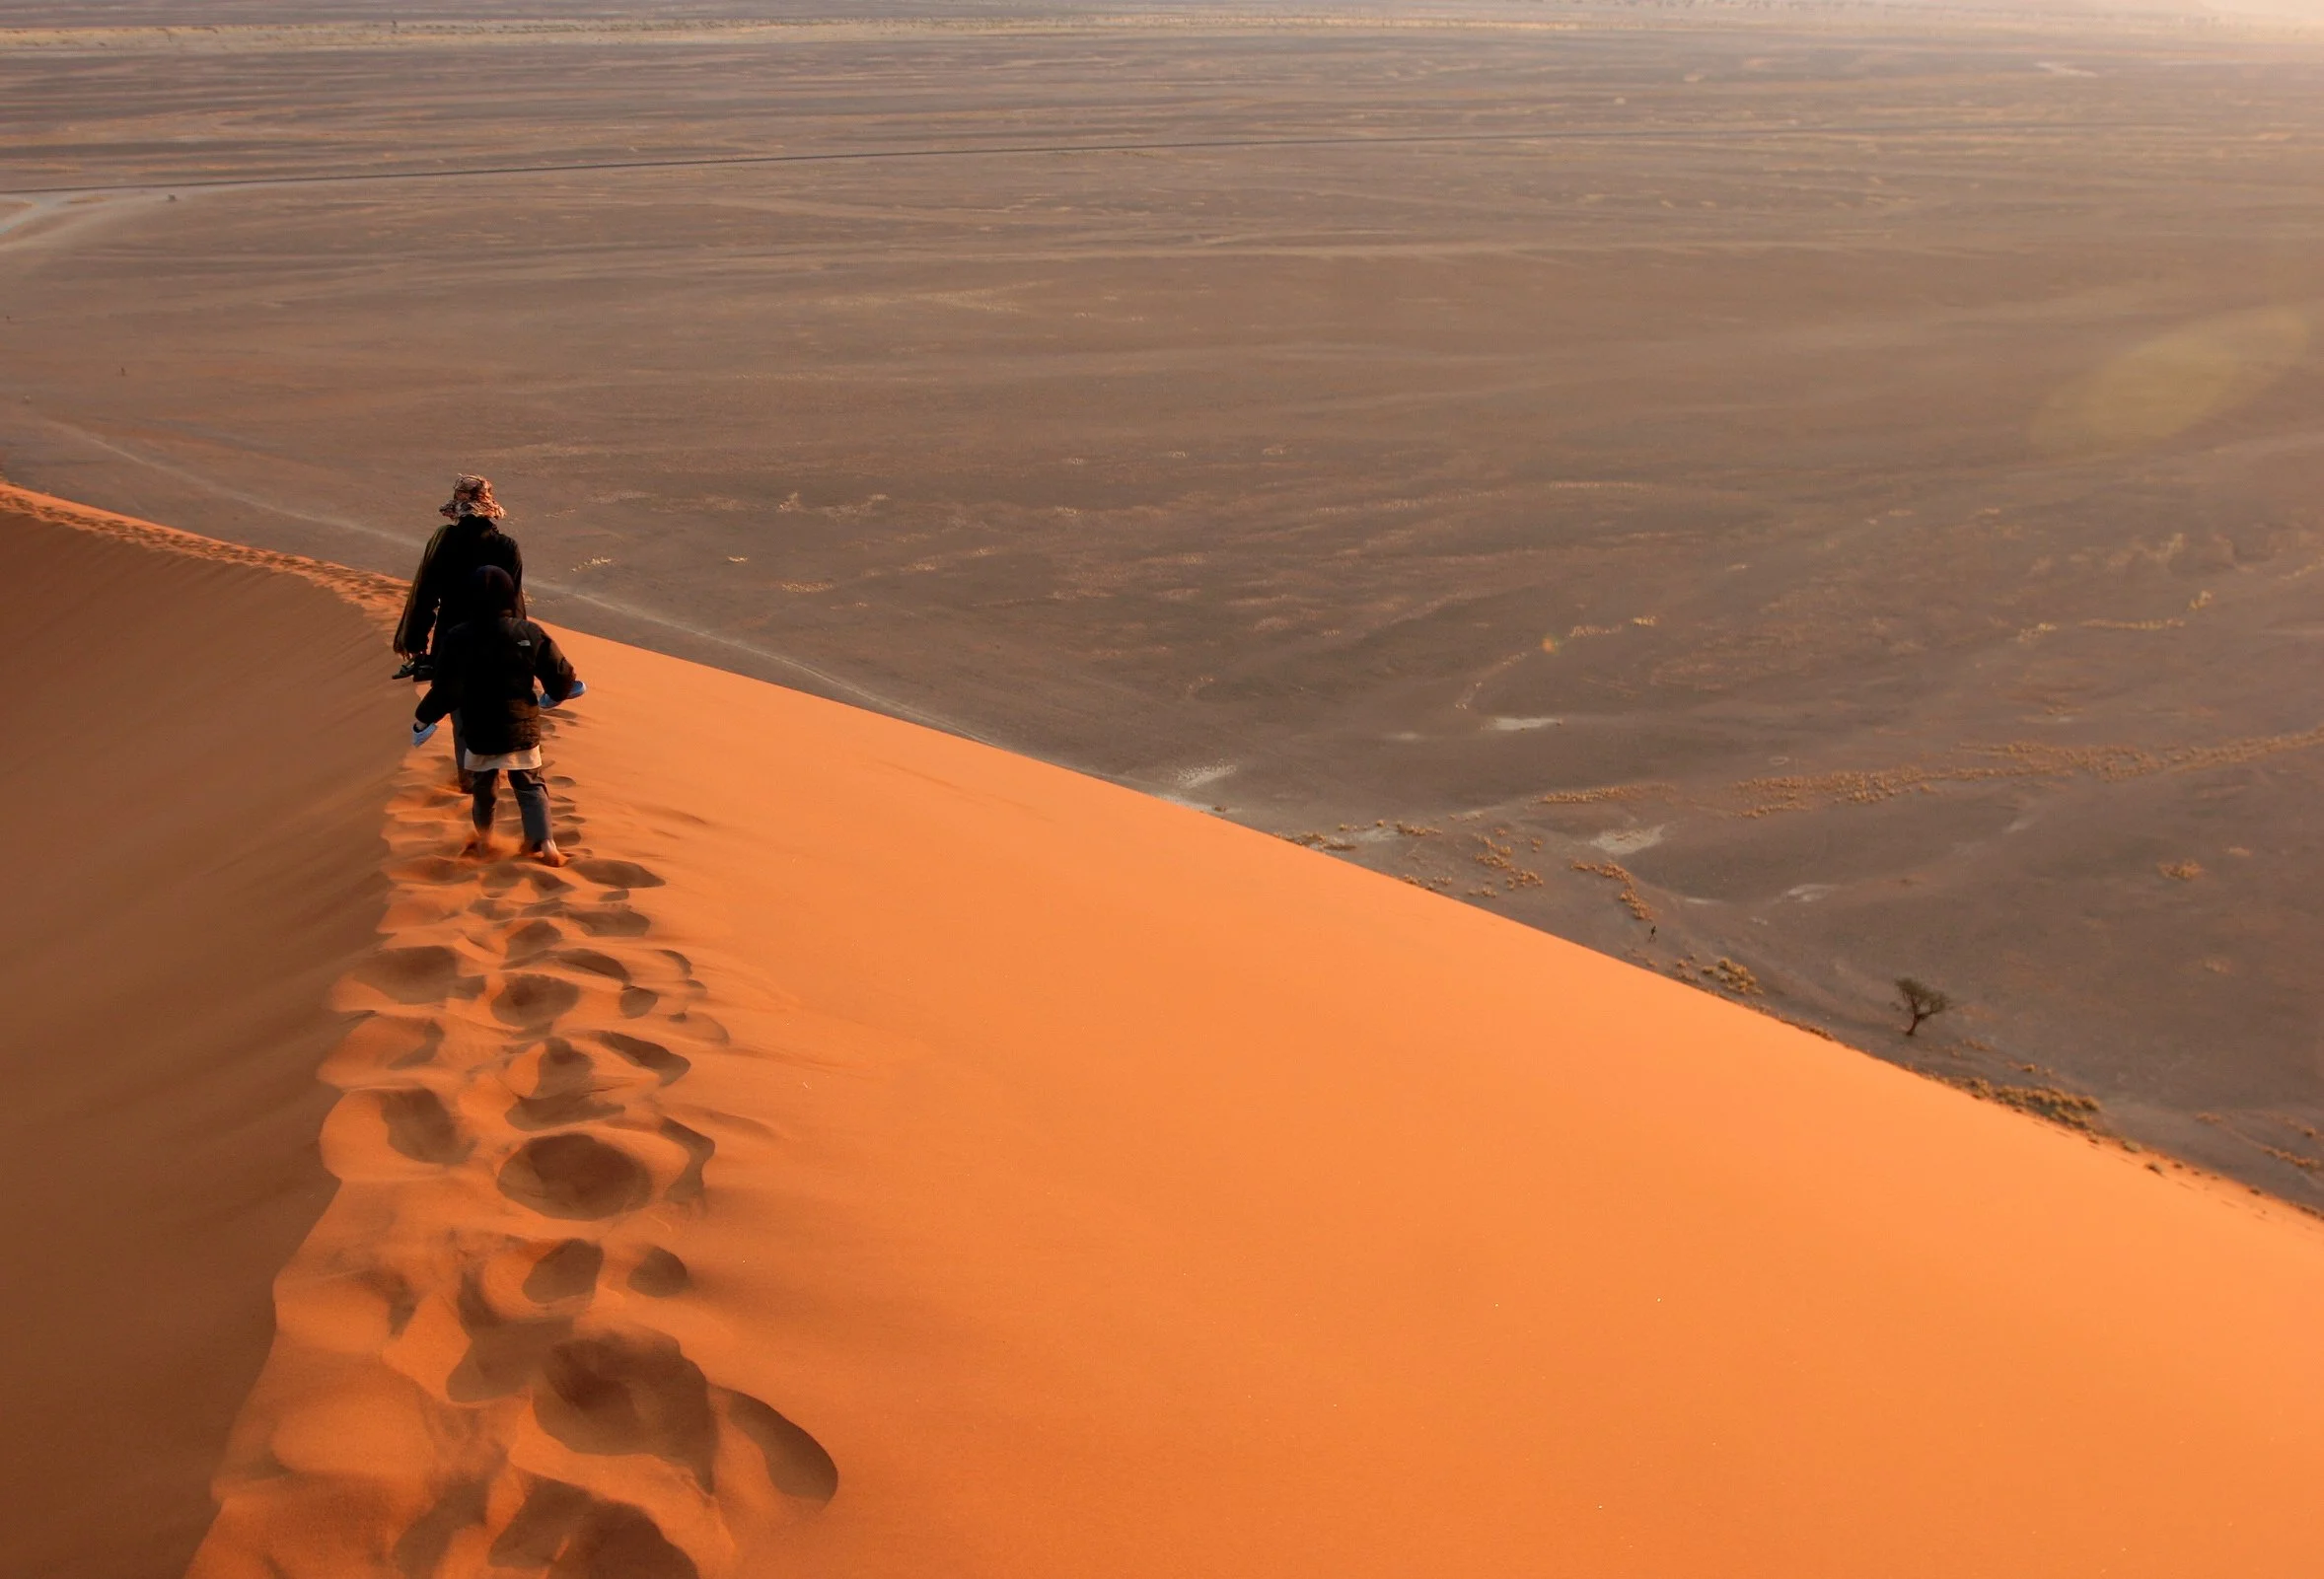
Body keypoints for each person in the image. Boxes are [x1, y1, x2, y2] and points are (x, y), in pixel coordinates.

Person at [412, 566, 585, 866]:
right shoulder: (529, 632)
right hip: (522, 726)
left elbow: (446, 690)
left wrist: (422, 718)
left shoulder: (458, 637)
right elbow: (561, 674)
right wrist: (557, 694)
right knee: (530, 783)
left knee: (483, 784)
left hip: (480, 728)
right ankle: (545, 844)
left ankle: (483, 840)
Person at [395, 474, 524, 782]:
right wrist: (522, 646)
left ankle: (469, 774)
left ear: (457, 507)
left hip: (452, 638)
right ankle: (492, 769)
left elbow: (426, 597)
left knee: (458, 704)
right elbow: (515, 601)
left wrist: (416, 643)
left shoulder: (445, 543)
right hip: (497, 640)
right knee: (494, 703)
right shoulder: (507, 547)